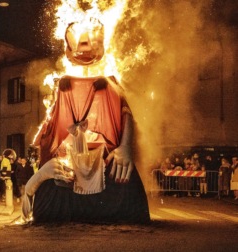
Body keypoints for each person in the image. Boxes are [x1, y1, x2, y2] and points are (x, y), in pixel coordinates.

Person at [22, 17, 149, 223]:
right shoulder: (62, 86)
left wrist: (125, 145)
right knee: (54, 179)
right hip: (67, 162)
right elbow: (51, 129)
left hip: (105, 158)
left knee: (122, 175)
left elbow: (125, 112)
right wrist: (39, 175)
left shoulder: (109, 85)